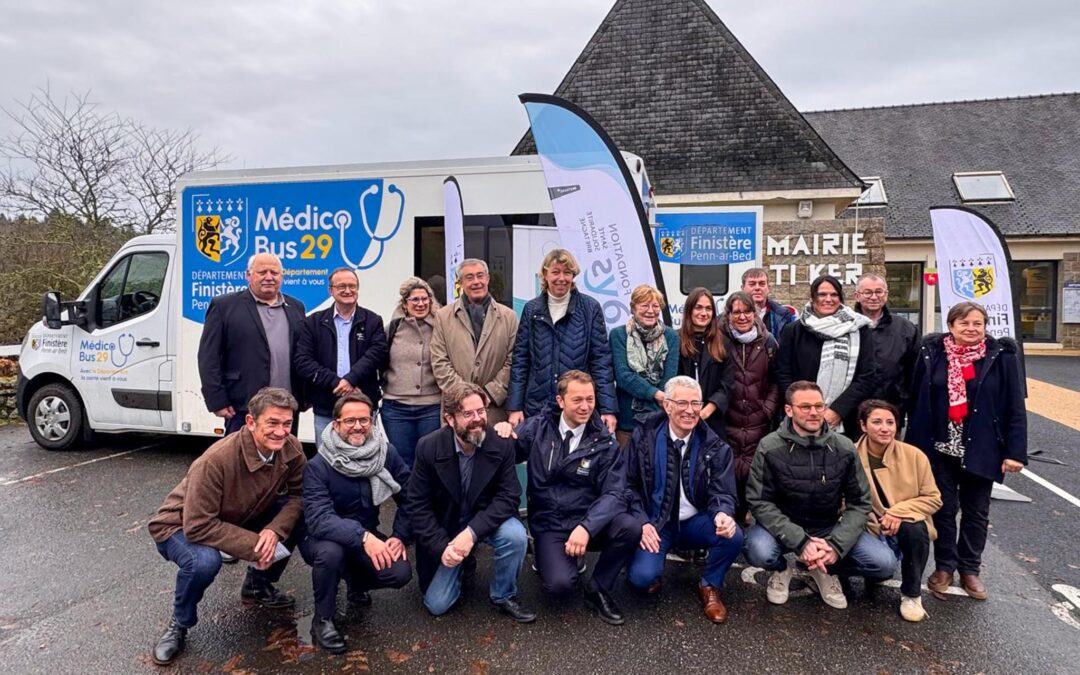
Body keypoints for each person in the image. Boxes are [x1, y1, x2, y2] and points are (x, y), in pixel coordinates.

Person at [147, 388, 306, 666]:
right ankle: (179, 625)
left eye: (287, 423)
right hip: (179, 525)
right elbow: (197, 526)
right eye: (272, 423)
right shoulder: (215, 460)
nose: (281, 432)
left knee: (292, 519)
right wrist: (256, 547)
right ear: (250, 422)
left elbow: (299, 496)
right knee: (204, 562)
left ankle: (258, 587)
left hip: (237, 515)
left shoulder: (291, 448)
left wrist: (273, 531)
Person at [495, 370, 641, 625]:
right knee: (560, 585)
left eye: (590, 399)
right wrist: (503, 431)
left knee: (629, 527)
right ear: (560, 401)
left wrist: (587, 527)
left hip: (587, 520)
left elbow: (616, 493)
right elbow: (507, 455)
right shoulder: (537, 428)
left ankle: (598, 588)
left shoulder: (605, 441)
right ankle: (553, 557)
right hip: (550, 522)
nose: (586, 407)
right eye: (577, 400)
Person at [906, 301, 1027, 601]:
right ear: (951, 326)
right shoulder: (931, 353)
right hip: (939, 447)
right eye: (964, 323)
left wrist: (1015, 451)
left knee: (976, 511)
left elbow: (1014, 406)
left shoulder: (1001, 357)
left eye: (977, 324)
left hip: (982, 448)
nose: (971, 329)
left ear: (985, 327)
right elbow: (916, 397)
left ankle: (970, 569)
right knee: (944, 510)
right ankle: (945, 566)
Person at [744, 381, 895, 610]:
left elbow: (860, 503)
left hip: (828, 528)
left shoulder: (844, 447)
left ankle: (825, 569)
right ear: (788, 410)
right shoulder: (769, 446)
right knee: (758, 551)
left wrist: (835, 546)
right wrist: (800, 541)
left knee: (884, 564)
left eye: (819, 406)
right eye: (805, 407)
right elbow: (759, 502)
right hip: (783, 527)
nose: (814, 412)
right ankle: (781, 569)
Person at [406, 383, 536, 622]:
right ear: (449, 419)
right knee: (437, 605)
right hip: (446, 528)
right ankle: (463, 565)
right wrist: (441, 547)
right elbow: (417, 505)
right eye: (468, 414)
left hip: (484, 521)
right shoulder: (428, 447)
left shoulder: (501, 443)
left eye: (481, 411)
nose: (477, 420)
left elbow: (509, 497)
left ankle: (504, 594)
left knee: (515, 535)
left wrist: (472, 533)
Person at [624, 376, 744, 624]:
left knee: (734, 535)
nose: (690, 410)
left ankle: (710, 585)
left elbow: (723, 491)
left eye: (695, 403)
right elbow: (628, 485)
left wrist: (723, 513)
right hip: (656, 524)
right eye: (682, 403)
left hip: (695, 521)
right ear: (667, 405)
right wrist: (642, 521)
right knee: (641, 579)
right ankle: (652, 570)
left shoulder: (715, 445)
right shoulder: (643, 437)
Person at [301, 392, 412, 653]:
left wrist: (399, 536)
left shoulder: (385, 453)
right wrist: (364, 537)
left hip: (366, 536)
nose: (358, 426)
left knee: (400, 571)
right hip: (322, 538)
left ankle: (354, 582)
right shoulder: (318, 465)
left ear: (372, 421)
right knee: (331, 553)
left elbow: (411, 497)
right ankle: (323, 619)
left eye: (364, 419)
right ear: (336, 423)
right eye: (350, 420)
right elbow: (318, 519)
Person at [507, 249, 617, 433]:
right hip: (537, 406)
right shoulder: (531, 309)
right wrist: (514, 407)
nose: (561, 278)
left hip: (577, 407)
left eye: (567, 273)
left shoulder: (590, 309)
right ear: (545, 274)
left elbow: (601, 362)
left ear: (573, 276)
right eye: (555, 272)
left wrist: (608, 409)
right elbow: (520, 361)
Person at [198, 253, 306, 435]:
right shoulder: (224, 306)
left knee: (284, 460)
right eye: (262, 272)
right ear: (248, 275)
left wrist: (305, 396)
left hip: (286, 405)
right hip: (242, 405)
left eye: (274, 272)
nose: (269, 277)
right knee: (241, 460)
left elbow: (303, 353)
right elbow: (209, 357)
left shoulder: (296, 307)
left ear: (282, 275)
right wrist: (217, 400)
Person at [855, 399, 942, 622]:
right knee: (881, 567)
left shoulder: (914, 456)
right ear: (863, 426)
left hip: (903, 523)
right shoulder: (850, 455)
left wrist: (897, 512)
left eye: (890, 422)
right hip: (868, 525)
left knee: (916, 529)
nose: (885, 428)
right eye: (876, 422)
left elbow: (933, 498)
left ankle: (912, 594)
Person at [775, 274, 876, 442]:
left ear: (841, 298)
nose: (828, 299)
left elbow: (867, 376)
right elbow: (782, 373)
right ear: (812, 298)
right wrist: (802, 409)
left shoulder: (858, 329)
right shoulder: (793, 330)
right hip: (799, 421)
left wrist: (837, 411)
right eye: (822, 294)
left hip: (845, 421)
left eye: (834, 294)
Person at [295, 267, 388, 444]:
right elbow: (303, 361)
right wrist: (336, 382)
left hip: (363, 404)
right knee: (326, 461)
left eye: (352, 286)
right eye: (341, 286)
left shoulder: (372, 321)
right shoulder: (313, 323)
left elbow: (377, 353)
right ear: (331, 290)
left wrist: (351, 379)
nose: (347, 291)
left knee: (364, 457)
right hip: (326, 407)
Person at [717, 291, 780, 523]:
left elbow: (776, 380)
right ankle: (727, 519)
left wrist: (768, 408)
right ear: (729, 315)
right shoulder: (719, 340)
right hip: (728, 419)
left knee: (753, 474)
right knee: (726, 472)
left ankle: (745, 518)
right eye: (737, 312)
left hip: (758, 420)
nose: (742, 316)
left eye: (747, 311)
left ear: (755, 314)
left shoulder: (769, 342)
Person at [430, 259, 519, 423]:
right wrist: (463, 395)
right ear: (460, 282)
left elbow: (513, 360)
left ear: (488, 279)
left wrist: (490, 393)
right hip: (457, 408)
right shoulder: (443, 317)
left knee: (494, 448)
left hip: (494, 409)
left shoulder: (509, 317)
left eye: (480, 276)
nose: (476, 282)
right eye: (469, 277)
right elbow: (439, 361)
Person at [380, 277, 442, 468]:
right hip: (396, 408)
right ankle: (407, 499)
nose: (421, 303)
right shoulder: (391, 329)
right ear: (405, 304)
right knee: (403, 463)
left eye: (425, 299)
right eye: (415, 300)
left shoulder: (441, 328)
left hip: (431, 407)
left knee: (430, 461)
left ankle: (428, 500)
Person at [610, 284, 680, 447]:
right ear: (633, 308)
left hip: (659, 421)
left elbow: (669, 379)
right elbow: (623, 376)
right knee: (626, 470)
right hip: (627, 422)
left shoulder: (671, 336)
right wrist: (655, 394)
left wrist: (658, 396)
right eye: (644, 305)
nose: (650, 310)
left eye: (655, 306)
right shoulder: (618, 335)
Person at [854, 273, 920, 428]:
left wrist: (904, 400)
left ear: (886, 295)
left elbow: (914, 373)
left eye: (879, 292)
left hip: (892, 411)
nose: (874, 297)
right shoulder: (845, 326)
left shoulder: (906, 328)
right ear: (857, 296)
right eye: (868, 292)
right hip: (852, 413)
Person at [676, 287, 733, 439]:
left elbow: (727, 384)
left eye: (708, 308)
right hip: (680, 418)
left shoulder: (724, 343)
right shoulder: (675, 339)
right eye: (698, 307)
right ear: (689, 310)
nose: (704, 313)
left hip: (712, 419)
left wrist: (707, 410)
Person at [741, 267, 795, 339]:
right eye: (752, 284)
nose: (757, 288)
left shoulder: (783, 315)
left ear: (769, 288)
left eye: (762, 284)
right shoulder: (731, 315)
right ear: (742, 288)